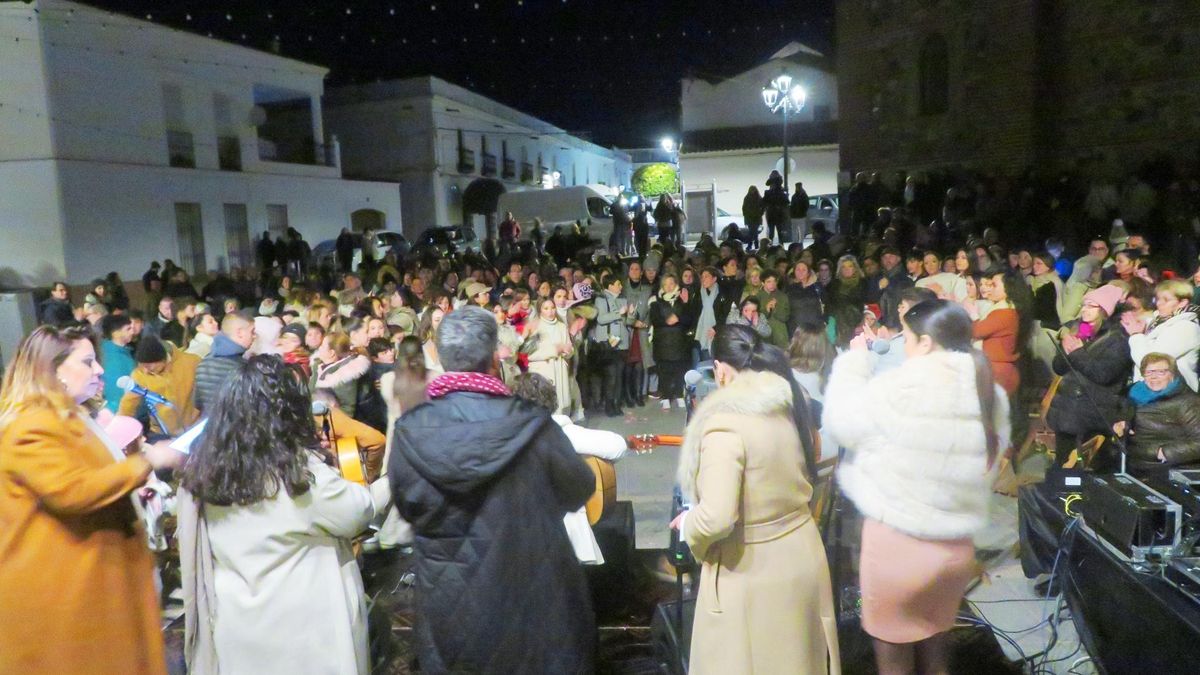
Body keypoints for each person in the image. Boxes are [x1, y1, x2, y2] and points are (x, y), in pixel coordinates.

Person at [389, 306, 596, 673]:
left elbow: (408, 505)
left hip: (450, 605)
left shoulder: (411, 430)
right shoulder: (532, 424)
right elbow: (578, 488)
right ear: (492, 360)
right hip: (532, 598)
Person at [824, 300, 1010, 675]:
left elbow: (841, 424)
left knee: (894, 660)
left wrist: (854, 364)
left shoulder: (900, 387)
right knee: (937, 650)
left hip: (898, 546)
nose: (902, 346)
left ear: (925, 343)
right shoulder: (990, 391)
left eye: (906, 338)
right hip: (955, 550)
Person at [0, 324, 183, 674]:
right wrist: (147, 461)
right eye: (87, 361)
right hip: (66, 598)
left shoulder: (72, 418)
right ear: (53, 370)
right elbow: (72, 491)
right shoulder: (30, 426)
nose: (99, 370)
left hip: (96, 583)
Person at [177, 356, 374, 675]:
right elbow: (359, 511)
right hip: (304, 633)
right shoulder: (299, 475)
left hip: (238, 626)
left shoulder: (205, 471)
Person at [671, 324, 838, 674]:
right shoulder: (789, 404)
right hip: (802, 556)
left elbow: (716, 517)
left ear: (719, 369)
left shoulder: (725, 424)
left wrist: (689, 524)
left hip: (751, 571)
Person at [1046, 285, 1132, 466]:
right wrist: (1065, 350)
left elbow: (1104, 374)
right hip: (1067, 411)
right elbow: (1059, 368)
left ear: (1104, 310)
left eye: (1090, 305)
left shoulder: (1117, 339)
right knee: (1062, 464)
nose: (1084, 309)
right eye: (1083, 305)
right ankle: (1061, 493)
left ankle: (1073, 494)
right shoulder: (1082, 330)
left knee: (1078, 469)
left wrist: (1077, 353)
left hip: (1091, 415)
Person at [1118, 353, 1200, 473]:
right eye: (1149, 372)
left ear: (1172, 374)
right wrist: (1120, 423)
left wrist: (1165, 452)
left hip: (1168, 470)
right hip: (1134, 464)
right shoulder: (1132, 394)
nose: (1154, 377)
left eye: (1161, 372)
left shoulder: (1186, 402)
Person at [117, 335, 201, 439]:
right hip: (163, 435)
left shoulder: (191, 362)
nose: (145, 371)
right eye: (141, 365)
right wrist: (119, 430)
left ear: (162, 359)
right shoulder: (139, 375)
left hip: (196, 428)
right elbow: (127, 404)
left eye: (149, 366)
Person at [1126, 279, 1200, 391]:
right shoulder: (1156, 322)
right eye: (1158, 298)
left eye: (1166, 300)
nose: (1159, 303)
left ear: (1182, 302)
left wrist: (1135, 335)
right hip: (1153, 392)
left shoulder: (1186, 328)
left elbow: (1150, 362)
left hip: (1172, 397)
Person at [969, 272, 1030, 396]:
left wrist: (973, 314)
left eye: (994, 285)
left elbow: (976, 331)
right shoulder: (1002, 309)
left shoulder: (1005, 312)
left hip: (998, 374)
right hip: (994, 370)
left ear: (1009, 288)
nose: (990, 288)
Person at [193, 310, 255, 412]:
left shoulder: (203, 363)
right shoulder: (242, 367)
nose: (254, 336)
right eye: (252, 331)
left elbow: (197, 403)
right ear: (240, 332)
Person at [649, 273, 693, 410]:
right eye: (666, 284)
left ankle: (679, 395)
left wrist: (679, 317)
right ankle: (666, 396)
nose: (669, 287)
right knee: (664, 371)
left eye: (671, 284)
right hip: (662, 342)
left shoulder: (682, 300)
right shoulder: (656, 301)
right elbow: (655, 320)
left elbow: (690, 319)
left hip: (680, 341)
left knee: (680, 369)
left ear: (676, 285)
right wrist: (668, 321)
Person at [523, 298, 574, 414]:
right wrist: (555, 349)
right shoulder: (535, 326)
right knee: (545, 405)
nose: (550, 311)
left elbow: (569, 348)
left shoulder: (561, 326)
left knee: (561, 405)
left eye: (552, 308)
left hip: (560, 368)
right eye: (546, 308)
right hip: (543, 369)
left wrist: (568, 351)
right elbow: (531, 354)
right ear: (540, 310)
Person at [313, 332, 371, 418]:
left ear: (331, 353)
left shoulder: (344, 376)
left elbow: (347, 410)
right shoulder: (318, 367)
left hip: (332, 424)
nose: (319, 348)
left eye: (322, 346)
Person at [99, 313, 137, 412]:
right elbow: (116, 392)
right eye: (128, 329)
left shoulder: (123, 352)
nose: (133, 331)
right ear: (115, 333)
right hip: (121, 412)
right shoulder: (114, 358)